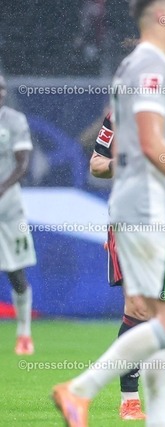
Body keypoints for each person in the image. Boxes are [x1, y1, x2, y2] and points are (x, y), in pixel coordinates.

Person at [52, 1, 165, 426]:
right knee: (156, 314)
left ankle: (153, 416)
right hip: (142, 211)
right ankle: (85, 391)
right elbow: (149, 148)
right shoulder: (148, 69)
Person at [0, 74, 37, 356]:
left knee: (15, 273)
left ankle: (24, 333)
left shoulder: (14, 121)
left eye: (2, 88)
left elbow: (23, 164)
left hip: (8, 209)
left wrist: (1, 189)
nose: (0, 93)